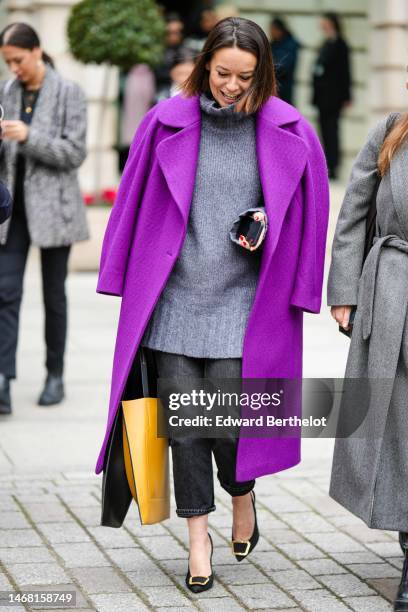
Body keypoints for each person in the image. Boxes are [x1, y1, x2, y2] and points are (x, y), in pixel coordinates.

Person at [96, 16, 329, 593]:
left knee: (228, 426)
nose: (231, 85)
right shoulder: (164, 122)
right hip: (174, 297)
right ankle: (198, 539)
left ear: (264, 74)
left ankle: (243, 493)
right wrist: (117, 273)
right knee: (185, 428)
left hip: (246, 304)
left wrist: (270, 225)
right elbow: (132, 198)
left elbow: (313, 212)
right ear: (204, 67)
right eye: (222, 73)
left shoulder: (292, 129)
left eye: (244, 76)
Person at [328, 83, 408, 608]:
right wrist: (345, 292)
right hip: (395, 290)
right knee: (400, 424)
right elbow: (354, 213)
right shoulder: (391, 132)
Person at [0, 23, 88, 414]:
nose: (13, 68)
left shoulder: (70, 92)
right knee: (5, 293)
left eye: (17, 60)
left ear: (36, 51)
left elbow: (74, 153)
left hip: (55, 209)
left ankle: (55, 374)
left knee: (54, 296)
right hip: (11, 211)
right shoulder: (6, 91)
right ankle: (3, 379)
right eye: (7, 62)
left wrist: (28, 136)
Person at [312, 12, 351, 179]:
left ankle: (334, 166)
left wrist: (347, 95)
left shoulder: (341, 44)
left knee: (332, 131)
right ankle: (326, 164)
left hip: (333, 98)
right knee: (324, 131)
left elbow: (345, 72)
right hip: (322, 97)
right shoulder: (325, 43)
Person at [270, 17, 300, 105]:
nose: (271, 33)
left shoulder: (290, 45)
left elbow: (283, 66)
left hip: (284, 89)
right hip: (273, 90)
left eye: (272, 29)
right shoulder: (273, 44)